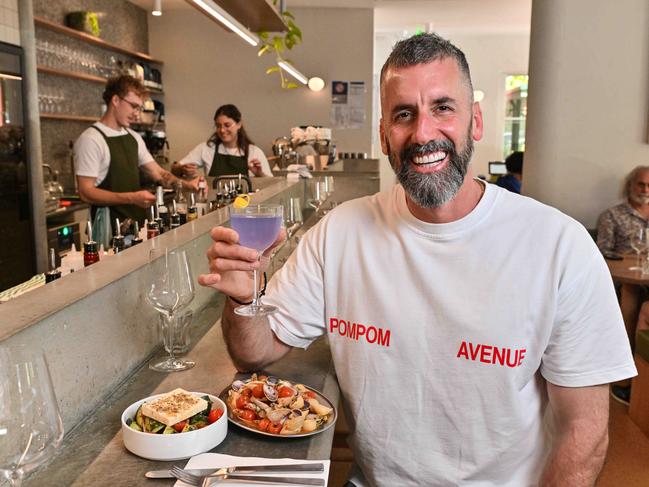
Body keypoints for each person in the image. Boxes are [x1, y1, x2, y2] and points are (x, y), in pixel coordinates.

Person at [199, 33, 636, 486]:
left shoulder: (558, 246)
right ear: (385, 136)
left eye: (443, 108)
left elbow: (584, 431)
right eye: (403, 114)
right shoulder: (339, 234)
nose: (423, 133)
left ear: (476, 121)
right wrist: (242, 298)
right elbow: (258, 352)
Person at [74, 75, 197, 228]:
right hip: (108, 228)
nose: (137, 113)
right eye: (133, 106)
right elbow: (85, 192)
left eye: (139, 108)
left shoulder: (133, 137)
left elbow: (159, 174)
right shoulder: (91, 139)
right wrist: (132, 198)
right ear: (116, 100)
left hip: (136, 225)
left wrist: (188, 186)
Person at [171, 104, 272, 180]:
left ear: (239, 124)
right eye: (218, 126)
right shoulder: (206, 148)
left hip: (244, 205)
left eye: (227, 125)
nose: (222, 130)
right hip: (215, 205)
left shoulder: (254, 152)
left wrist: (259, 174)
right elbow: (175, 169)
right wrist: (182, 169)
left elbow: (271, 185)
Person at [596, 165, 649, 255]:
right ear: (629, 185)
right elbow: (603, 252)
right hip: (626, 267)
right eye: (641, 184)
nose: (645, 190)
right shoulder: (611, 215)